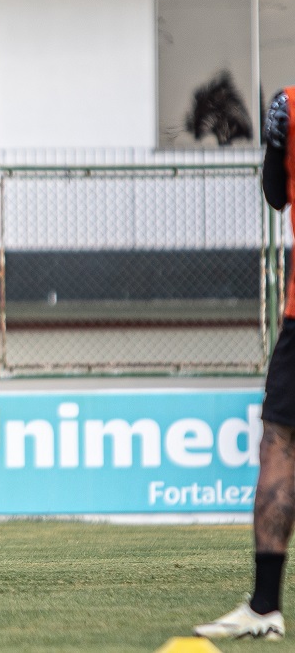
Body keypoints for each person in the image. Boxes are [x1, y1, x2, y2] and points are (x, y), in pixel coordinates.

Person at [193, 87, 295, 641]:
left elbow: (276, 194)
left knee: (280, 442)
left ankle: (264, 606)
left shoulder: (291, 105)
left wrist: (276, 139)